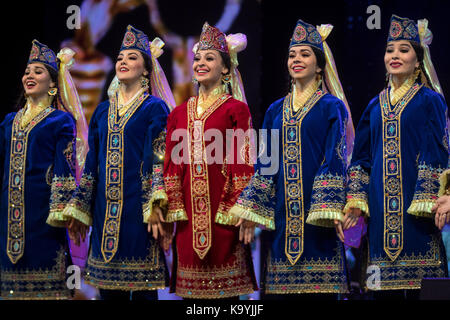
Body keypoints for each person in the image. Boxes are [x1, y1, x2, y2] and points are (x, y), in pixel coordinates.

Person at [231, 19, 354, 299]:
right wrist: (251, 211)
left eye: (305, 54)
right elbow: (267, 162)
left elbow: (335, 157)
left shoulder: (331, 107)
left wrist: (330, 207)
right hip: (282, 218)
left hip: (318, 219)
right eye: (292, 55)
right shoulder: (276, 110)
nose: (296, 59)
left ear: (320, 65)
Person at [62, 25, 175, 300]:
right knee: (108, 293)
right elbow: (91, 166)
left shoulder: (154, 108)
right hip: (104, 215)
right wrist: (80, 209)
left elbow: (157, 159)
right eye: (120, 57)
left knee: (144, 291)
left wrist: (157, 206)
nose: (123, 61)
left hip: (139, 214)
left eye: (132, 57)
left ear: (147, 70)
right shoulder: (102, 111)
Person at [343, 15, 449, 300]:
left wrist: (433, 200)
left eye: (404, 50)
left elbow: (438, 151)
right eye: (390, 50)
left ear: (418, 60)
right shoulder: (373, 106)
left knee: (424, 293)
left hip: (419, 218)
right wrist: (355, 202)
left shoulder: (430, 100)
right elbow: (361, 159)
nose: (395, 55)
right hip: (379, 219)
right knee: (379, 292)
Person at [156, 22, 258, 299]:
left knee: (227, 297)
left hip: (225, 216)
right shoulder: (178, 113)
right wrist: (170, 212)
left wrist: (243, 210)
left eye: (209, 58)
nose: (200, 63)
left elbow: (244, 160)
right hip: (188, 219)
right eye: (198, 58)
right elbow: (172, 166)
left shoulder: (236, 109)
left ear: (225, 68)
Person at [0, 40, 88, 299]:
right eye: (27, 71)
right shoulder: (8, 121)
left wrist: (62, 212)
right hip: (9, 213)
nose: (29, 75)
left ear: (52, 84)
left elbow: (64, 169)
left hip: (44, 214)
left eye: (38, 72)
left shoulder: (60, 120)